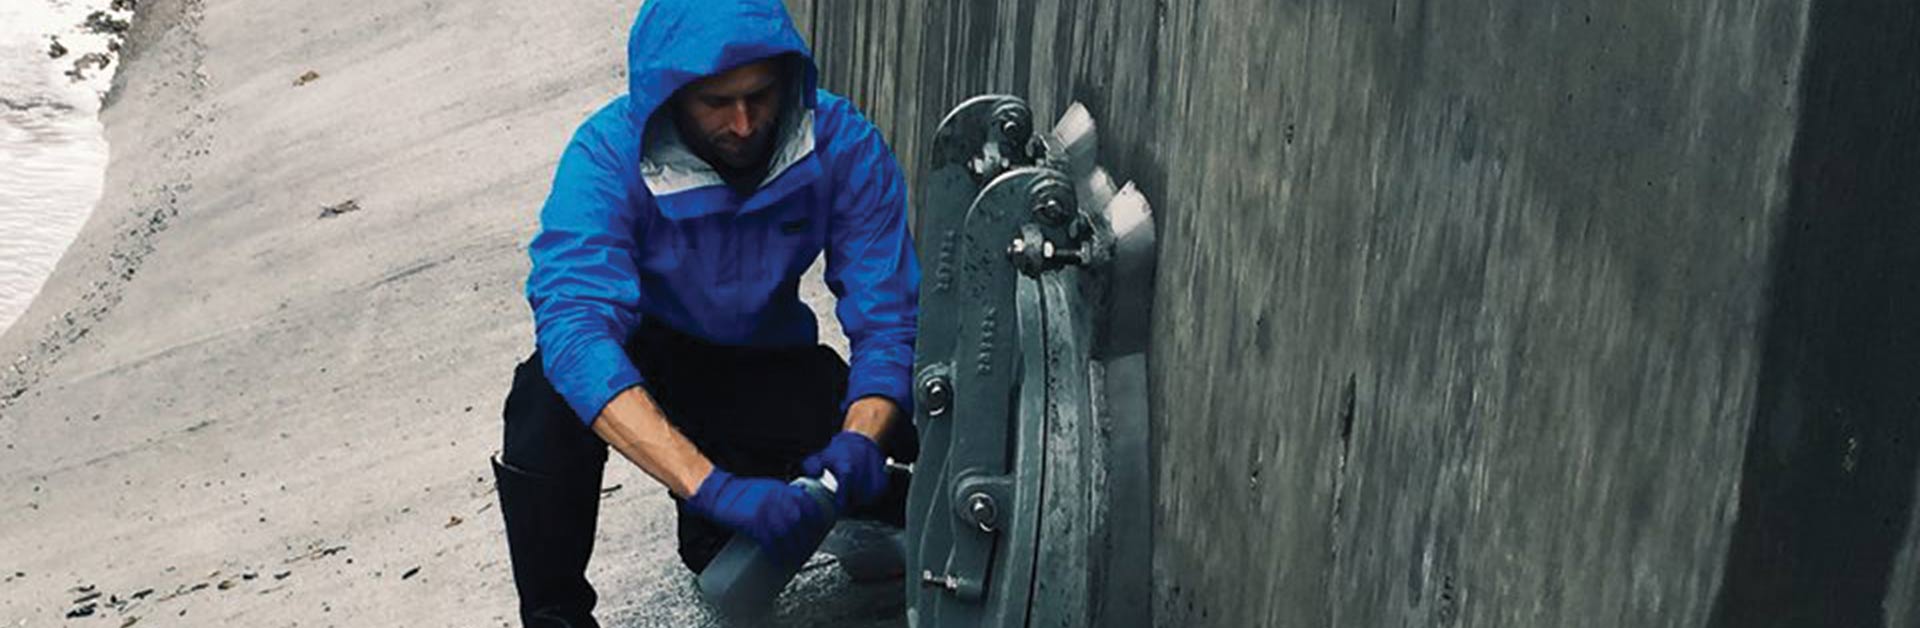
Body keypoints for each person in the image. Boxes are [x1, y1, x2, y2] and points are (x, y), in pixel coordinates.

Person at [490, 0, 919, 625]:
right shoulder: (607, 158)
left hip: (765, 364)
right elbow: (576, 332)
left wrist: (861, 438)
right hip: (650, 358)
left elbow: (888, 319)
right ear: (670, 97)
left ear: (787, 79)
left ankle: (852, 505)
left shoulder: (842, 143)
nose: (744, 124)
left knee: (901, 426)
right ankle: (557, 615)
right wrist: (710, 485)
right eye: (716, 103)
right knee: (545, 398)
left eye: (759, 96)